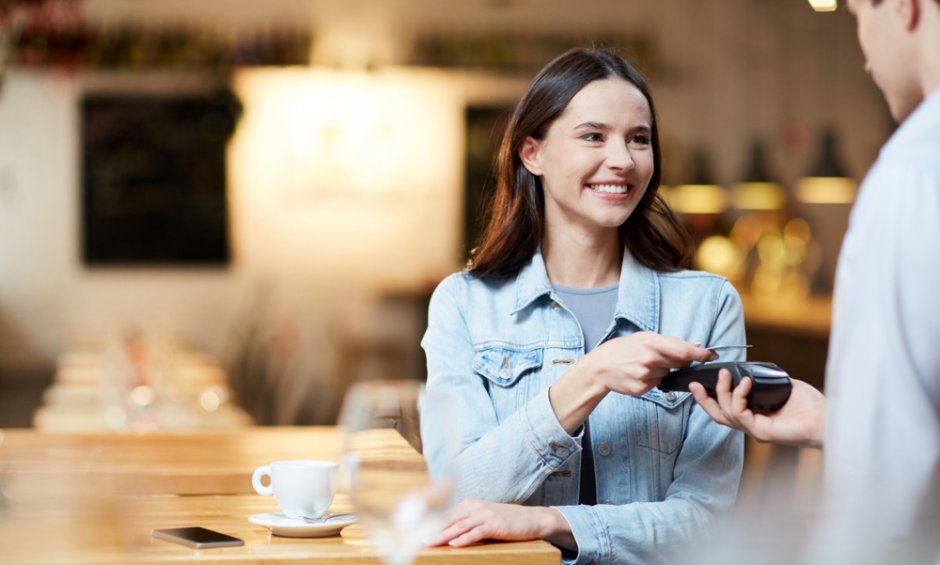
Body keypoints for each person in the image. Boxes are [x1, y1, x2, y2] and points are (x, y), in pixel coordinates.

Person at [419, 48, 746, 565]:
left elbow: (705, 520)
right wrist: (589, 376)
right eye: (594, 136)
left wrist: (553, 523)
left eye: (639, 139)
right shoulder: (464, 303)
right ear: (533, 154)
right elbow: (455, 496)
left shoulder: (707, 304)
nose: (622, 159)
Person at [690, 0, 940, 562]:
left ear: (902, 7)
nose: (865, 52)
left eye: (856, 15)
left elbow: (887, 491)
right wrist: (839, 423)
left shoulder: (911, 177)